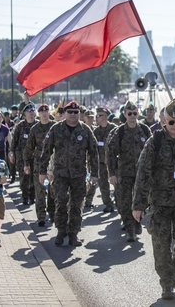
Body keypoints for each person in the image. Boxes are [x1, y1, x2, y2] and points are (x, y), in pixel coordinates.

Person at [132, 98, 175, 300]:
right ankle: (167, 284)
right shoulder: (155, 141)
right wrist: (138, 204)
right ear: (164, 121)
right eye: (171, 122)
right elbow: (143, 172)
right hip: (160, 202)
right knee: (161, 245)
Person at [39, 100, 99, 247]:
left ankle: (73, 234)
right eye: (70, 112)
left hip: (79, 175)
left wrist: (94, 173)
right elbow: (46, 151)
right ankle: (61, 232)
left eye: (75, 112)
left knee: (77, 205)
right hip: (60, 174)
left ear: (79, 114)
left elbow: (93, 152)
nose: (73, 115)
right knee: (60, 202)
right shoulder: (56, 129)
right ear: (65, 113)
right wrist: (42, 171)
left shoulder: (85, 130)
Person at [107, 101, 151, 240]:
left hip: (141, 173)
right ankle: (130, 229)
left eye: (135, 113)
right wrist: (112, 173)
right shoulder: (119, 132)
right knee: (124, 202)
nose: (132, 116)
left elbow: (151, 150)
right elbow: (111, 153)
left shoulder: (144, 130)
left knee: (140, 201)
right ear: (125, 114)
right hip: (124, 173)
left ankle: (137, 221)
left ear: (138, 114)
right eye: (129, 113)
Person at [23, 104, 56, 226]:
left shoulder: (55, 127)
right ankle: (41, 216)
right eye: (41, 111)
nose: (44, 113)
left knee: (53, 190)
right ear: (39, 113)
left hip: (53, 164)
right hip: (38, 163)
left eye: (46, 111)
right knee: (40, 190)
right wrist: (26, 164)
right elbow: (28, 148)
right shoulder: (35, 129)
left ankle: (52, 214)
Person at [9, 102, 38, 205]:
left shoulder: (38, 125)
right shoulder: (20, 126)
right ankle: (25, 196)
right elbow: (14, 141)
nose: (31, 113)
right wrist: (11, 153)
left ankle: (32, 196)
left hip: (35, 156)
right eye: (29, 111)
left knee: (34, 177)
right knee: (23, 177)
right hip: (21, 156)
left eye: (33, 110)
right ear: (24, 113)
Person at [88, 107, 116, 209]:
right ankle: (108, 204)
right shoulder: (95, 131)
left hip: (113, 162)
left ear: (105, 116)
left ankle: (119, 202)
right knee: (103, 185)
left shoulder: (114, 129)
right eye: (97, 115)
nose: (97, 118)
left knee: (117, 185)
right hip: (101, 162)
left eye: (99, 115)